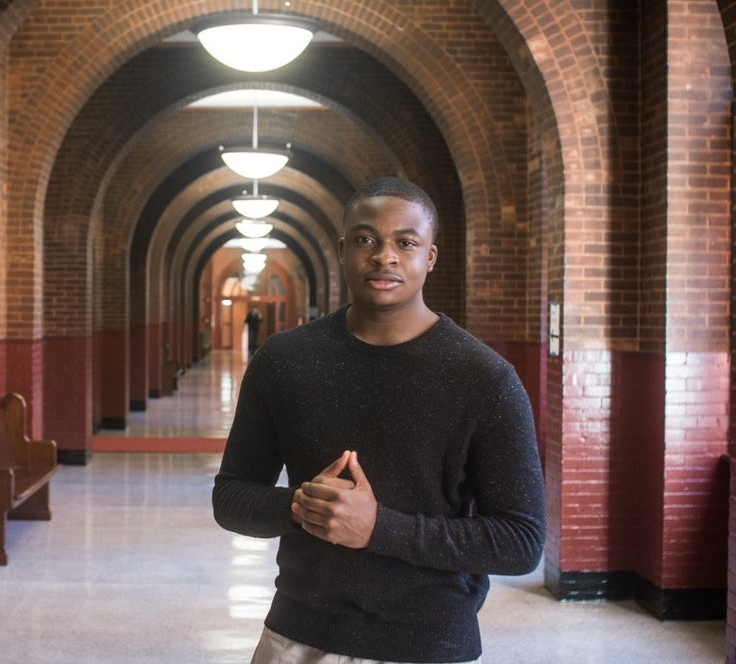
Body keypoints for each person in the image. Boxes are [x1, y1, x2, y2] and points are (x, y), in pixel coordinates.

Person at [212, 177, 546, 664]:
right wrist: (304, 508)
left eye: (405, 242)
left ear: (430, 256)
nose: (384, 256)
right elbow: (231, 496)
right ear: (343, 249)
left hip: (428, 645)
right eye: (366, 240)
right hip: (299, 636)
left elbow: (521, 541)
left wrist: (378, 528)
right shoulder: (284, 360)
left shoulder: (484, 378)